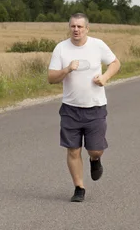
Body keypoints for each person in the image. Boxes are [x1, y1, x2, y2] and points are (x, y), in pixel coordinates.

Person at [47, 12, 121, 202]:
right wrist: (67, 69)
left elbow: (115, 63)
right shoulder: (61, 49)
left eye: (80, 26)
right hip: (70, 108)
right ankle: (79, 187)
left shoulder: (97, 45)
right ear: (69, 27)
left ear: (87, 28)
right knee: (73, 149)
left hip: (95, 107)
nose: (76, 30)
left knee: (95, 149)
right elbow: (51, 78)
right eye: (73, 26)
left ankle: (95, 160)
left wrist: (104, 77)